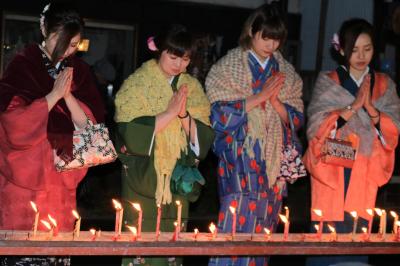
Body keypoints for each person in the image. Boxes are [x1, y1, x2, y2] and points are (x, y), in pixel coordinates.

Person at [0, 3, 104, 265]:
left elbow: (91, 131)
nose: (66, 50)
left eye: (73, 44)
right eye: (61, 40)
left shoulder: (79, 72)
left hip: (61, 186)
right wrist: (53, 95)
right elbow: (14, 126)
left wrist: (68, 97)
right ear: (44, 28)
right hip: (25, 186)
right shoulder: (23, 65)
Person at [206, 3, 304, 266]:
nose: (271, 45)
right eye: (266, 37)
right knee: (234, 226)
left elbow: (296, 118)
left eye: (276, 39)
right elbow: (217, 115)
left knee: (264, 231)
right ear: (252, 30)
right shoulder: (227, 67)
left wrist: (276, 103)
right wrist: (259, 97)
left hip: (272, 161)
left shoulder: (287, 73)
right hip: (240, 159)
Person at [114, 24, 214, 266]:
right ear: (157, 50)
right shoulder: (136, 84)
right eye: (173, 56)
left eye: (185, 58)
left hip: (177, 177)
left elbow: (203, 136)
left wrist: (183, 117)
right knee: (140, 243)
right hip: (144, 176)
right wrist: (169, 113)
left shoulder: (193, 88)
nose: (179, 64)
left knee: (171, 247)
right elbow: (130, 133)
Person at [304, 18, 400, 266]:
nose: (361, 56)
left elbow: (393, 129)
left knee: (358, 231)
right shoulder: (328, 81)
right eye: (354, 49)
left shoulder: (384, 84)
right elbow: (316, 125)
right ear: (342, 50)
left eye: (367, 49)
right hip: (333, 167)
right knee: (327, 234)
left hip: (365, 166)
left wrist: (372, 111)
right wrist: (352, 108)